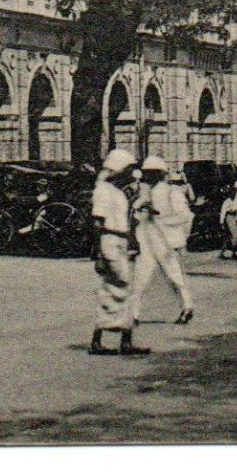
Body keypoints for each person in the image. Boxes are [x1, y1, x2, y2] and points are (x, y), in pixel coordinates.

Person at [89, 148, 147, 356]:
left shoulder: (118, 192)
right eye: (128, 170)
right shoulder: (103, 190)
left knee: (115, 290)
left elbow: (126, 220)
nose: (131, 174)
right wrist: (99, 255)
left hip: (120, 240)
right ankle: (121, 339)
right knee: (123, 287)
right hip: (110, 241)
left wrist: (132, 241)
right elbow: (97, 223)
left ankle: (112, 340)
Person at [131, 155, 196, 325]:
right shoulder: (143, 193)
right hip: (146, 239)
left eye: (153, 173)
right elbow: (137, 214)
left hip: (164, 240)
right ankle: (133, 314)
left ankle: (187, 306)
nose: (149, 176)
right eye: (147, 173)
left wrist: (163, 221)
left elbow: (185, 216)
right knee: (139, 277)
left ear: (160, 174)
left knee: (174, 275)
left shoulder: (171, 192)